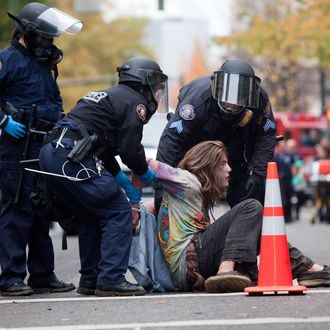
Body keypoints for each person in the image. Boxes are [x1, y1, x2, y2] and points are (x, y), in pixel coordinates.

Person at [38, 56, 169, 296]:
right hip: (72, 154)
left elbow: (103, 150)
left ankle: (91, 278)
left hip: (54, 152)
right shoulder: (135, 102)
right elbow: (130, 149)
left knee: (92, 212)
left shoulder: (108, 96)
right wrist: (145, 173)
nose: (156, 93)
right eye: (155, 85)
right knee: (117, 211)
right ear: (144, 82)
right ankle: (110, 279)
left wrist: (122, 181)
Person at [144, 140, 330, 293]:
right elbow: (146, 162)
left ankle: (308, 269)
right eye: (223, 163)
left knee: (255, 225)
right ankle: (226, 270)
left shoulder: (191, 192)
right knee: (251, 207)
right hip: (191, 265)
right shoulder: (187, 180)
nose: (229, 169)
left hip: (190, 268)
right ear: (207, 165)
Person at [0, 2, 83, 296]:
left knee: (40, 209)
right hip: (15, 147)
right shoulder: (7, 59)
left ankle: (42, 275)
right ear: (26, 33)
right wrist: (3, 121)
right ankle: (9, 278)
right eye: (44, 38)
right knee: (16, 211)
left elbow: (54, 101)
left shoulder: (44, 63)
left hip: (42, 144)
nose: (48, 43)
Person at [155, 58, 276, 212]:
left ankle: (242, 233)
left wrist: (257, 175)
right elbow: (171, 139)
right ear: (218, 85)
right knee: (189, 206)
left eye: (239, 97)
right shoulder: (198, 99)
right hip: (195, 156)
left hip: (233, 155)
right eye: (228, 96)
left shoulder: (259, 100)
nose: (232, 104)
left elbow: (266, 137)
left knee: (250, 203)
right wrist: (162, 185)